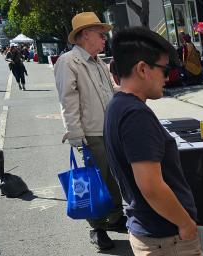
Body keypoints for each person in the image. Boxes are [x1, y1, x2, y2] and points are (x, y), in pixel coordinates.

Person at [104, 26, 203, 256]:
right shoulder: (135, 115)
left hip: (151, 231)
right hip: (167, 239)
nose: (168, 77)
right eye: (164, 69)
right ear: (142, 68)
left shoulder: (118, 105)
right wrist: (185, 223)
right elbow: (151, 186)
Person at [54, 12, 124, 251]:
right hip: (91, 133)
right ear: (84, 35)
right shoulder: (68, 61)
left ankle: (114, 218)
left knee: (115, 179)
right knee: (96, 182)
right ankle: (98, 228)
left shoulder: (98, 61)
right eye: (100, 34)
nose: (105, 38)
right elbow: (68, 100)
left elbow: (112, 89)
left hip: (109, 130)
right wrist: (75, 133)